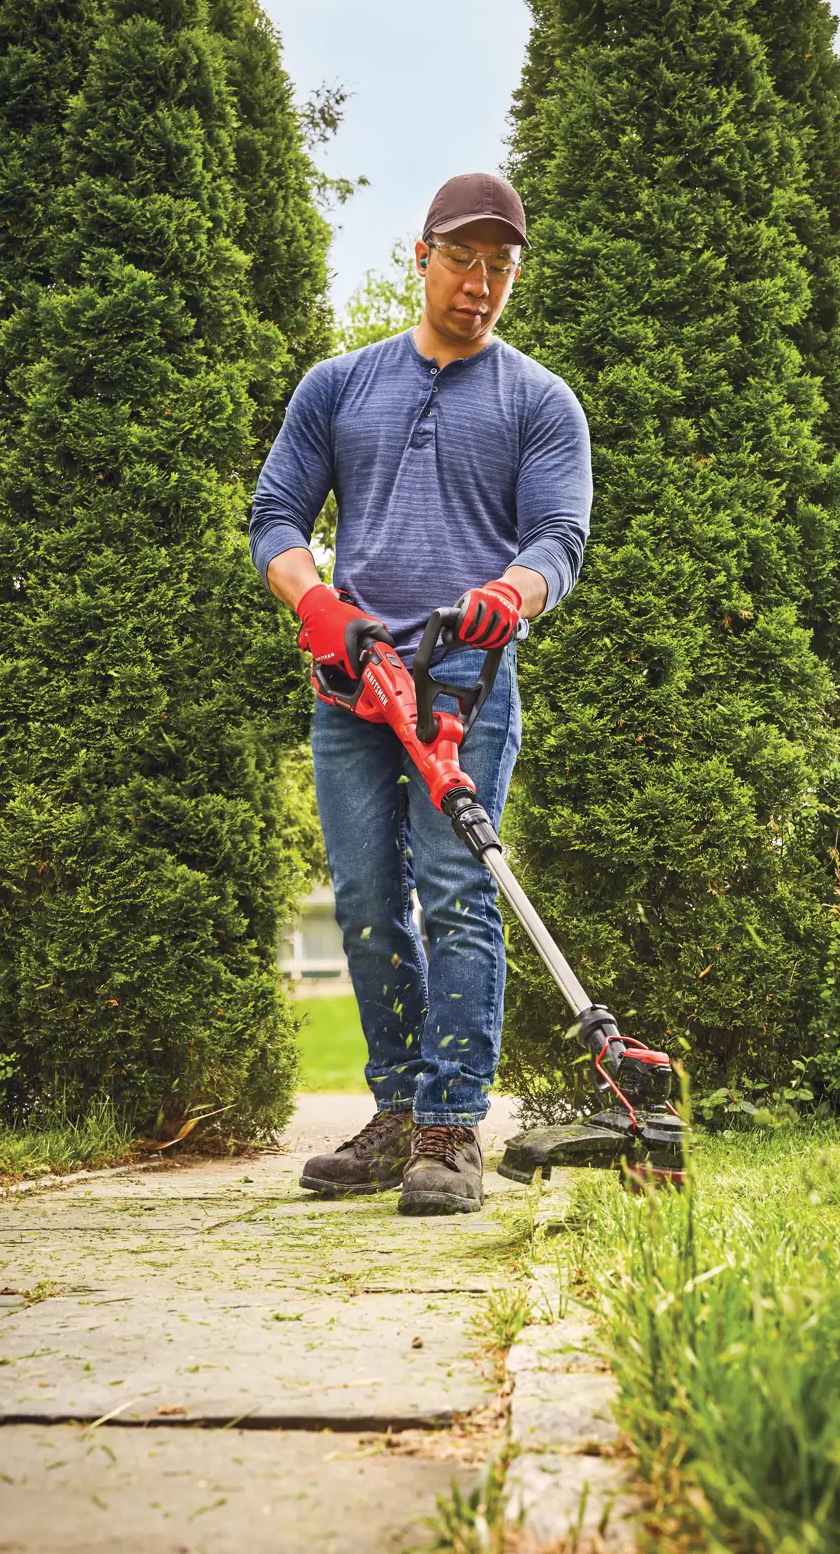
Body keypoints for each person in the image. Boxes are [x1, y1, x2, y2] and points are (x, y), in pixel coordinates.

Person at [250, 172, 592, 1215]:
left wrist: (510, 593)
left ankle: (450, 1132)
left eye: (501, 266)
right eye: (463, 259)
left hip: (462, 682)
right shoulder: (340, 384)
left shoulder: (538, 400)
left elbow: (557, 542)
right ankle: (395, 1113)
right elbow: (275, 517)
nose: (480, 283)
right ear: (421, 255)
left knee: (454, 890)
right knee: (362, 900)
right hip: (350, 683)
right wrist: (318, 608)